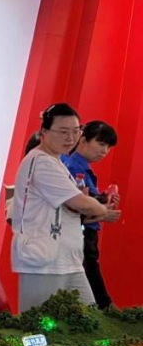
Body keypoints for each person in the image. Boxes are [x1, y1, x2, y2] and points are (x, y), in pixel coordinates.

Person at [13, 104, 117, 311]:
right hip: (44, 261)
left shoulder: (57, 162)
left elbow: (75, 208)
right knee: (40, 324)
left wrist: (93, 208)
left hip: (69, 259)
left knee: (90, 318)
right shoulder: (41, 162)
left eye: (75, 131)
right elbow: (81, 203)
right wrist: (102, 209)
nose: (70, 138)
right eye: (63, 131)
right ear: (44, 131)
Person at [61, 120, 122, 309]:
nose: (104, 151)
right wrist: (103, 213)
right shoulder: (74, 167)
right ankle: (106, 310)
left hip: (84, 233)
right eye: (101, 144)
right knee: (90, 275)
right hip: (80, 233)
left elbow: (85, 200)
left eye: (108, 147)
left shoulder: (80, 167)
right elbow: (75, 207)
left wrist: (103, 198)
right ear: (83, 140)